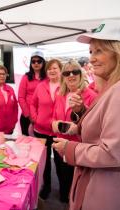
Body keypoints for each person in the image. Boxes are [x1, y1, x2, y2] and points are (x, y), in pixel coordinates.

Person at [52, 20, 120, 210]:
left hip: (108, 188)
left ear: (119, 52)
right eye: (91, 52)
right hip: (104, 182)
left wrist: (70, 148)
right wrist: (79, 118)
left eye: (99, 51)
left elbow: (112, 153)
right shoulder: (117, 86)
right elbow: (105, 127)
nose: (92, 59)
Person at [51, 59, 97, 204]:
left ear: (80, 73)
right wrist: (55, 124)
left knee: (75, 180)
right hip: (59, 144)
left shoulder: (91, 96)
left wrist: (77, 128)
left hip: (77, 148)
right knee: (61, 175)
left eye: (75, 71)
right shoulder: (60, 93)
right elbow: (54, 116)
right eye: (67, 72)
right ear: (63, 76)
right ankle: (64, 199)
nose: (71, 75)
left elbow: (94, 127)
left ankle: (73, 203)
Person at [30, 59, 62, 200]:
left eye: (55, 68)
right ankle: (46, 187)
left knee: (60, 162)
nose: (52, 71)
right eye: (49, 69)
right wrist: (36, 118)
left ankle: (64, 189)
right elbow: (32, 104)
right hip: (40, 130)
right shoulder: (41, 86)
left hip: (58, 132)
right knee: (45, 162)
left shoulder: (66, 86)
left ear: (60, 70)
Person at [18, 51, 46, 136]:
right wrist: (28, 115)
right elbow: (21, 97)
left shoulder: (47, 78)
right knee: (26, 144)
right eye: (33, 61)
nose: (36, 63)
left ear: (43, 62)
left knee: (42, 144)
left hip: (42, 117)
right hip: (27, 117)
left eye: (39, 61)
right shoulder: (26, 77)